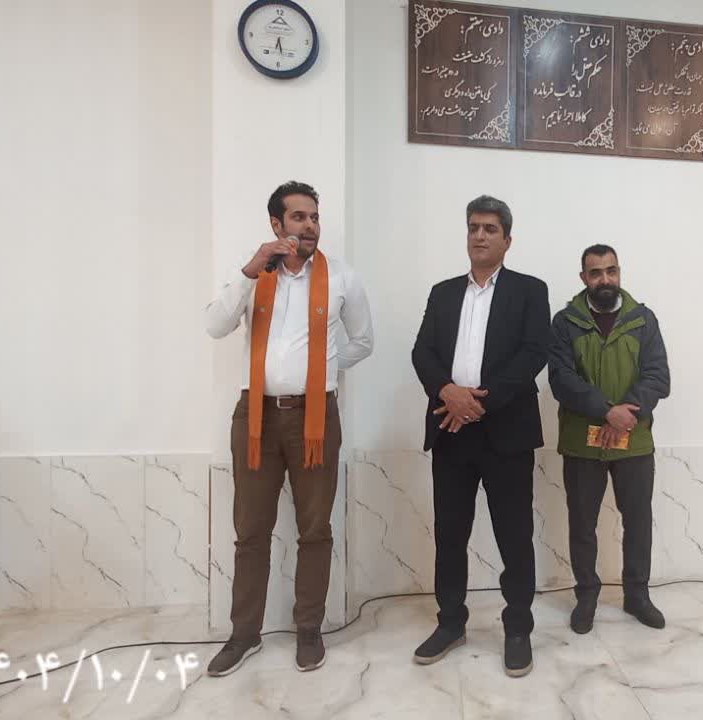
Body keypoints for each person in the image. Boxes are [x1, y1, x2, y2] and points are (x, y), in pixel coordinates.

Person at [203, 181, 374, 676]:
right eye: (299, 217)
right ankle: (244, 635)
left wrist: (320, 368)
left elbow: (363, 341)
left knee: (315, 528)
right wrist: (249, 270)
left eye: (314, 216)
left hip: (315, 418)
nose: (310, 225)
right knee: (250, 530)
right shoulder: (255, 275)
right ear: (276, 224)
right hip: (255, 419)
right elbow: (215, 325)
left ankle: (308, 630)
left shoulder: (341, 277)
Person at [410, 195, 550, 678]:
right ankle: (450, 623)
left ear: (507, 239)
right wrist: (448, 392)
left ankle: (518, 629)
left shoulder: (530, 290)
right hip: (450, 432)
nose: (480, 235)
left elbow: (533, 353)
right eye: (473, 227)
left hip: (506, 433)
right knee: (450, 534)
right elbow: (422, 352)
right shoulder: (443, 293)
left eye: (490, 228)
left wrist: (477, 404)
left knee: (515, 535)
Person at [548, 244, 670, 634]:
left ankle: (637, 596)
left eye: (611, 271)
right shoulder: (565, 322)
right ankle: (586, 596)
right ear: (583, 278)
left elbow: (658, 376)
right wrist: (606, 411)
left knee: (638, 521)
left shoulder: (643, 320)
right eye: (596, 272)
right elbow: (561, 380)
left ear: (619, 272)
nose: (605, 279)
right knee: (582, 523)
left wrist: (624, 414)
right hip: (582, 442)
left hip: (633, 439)